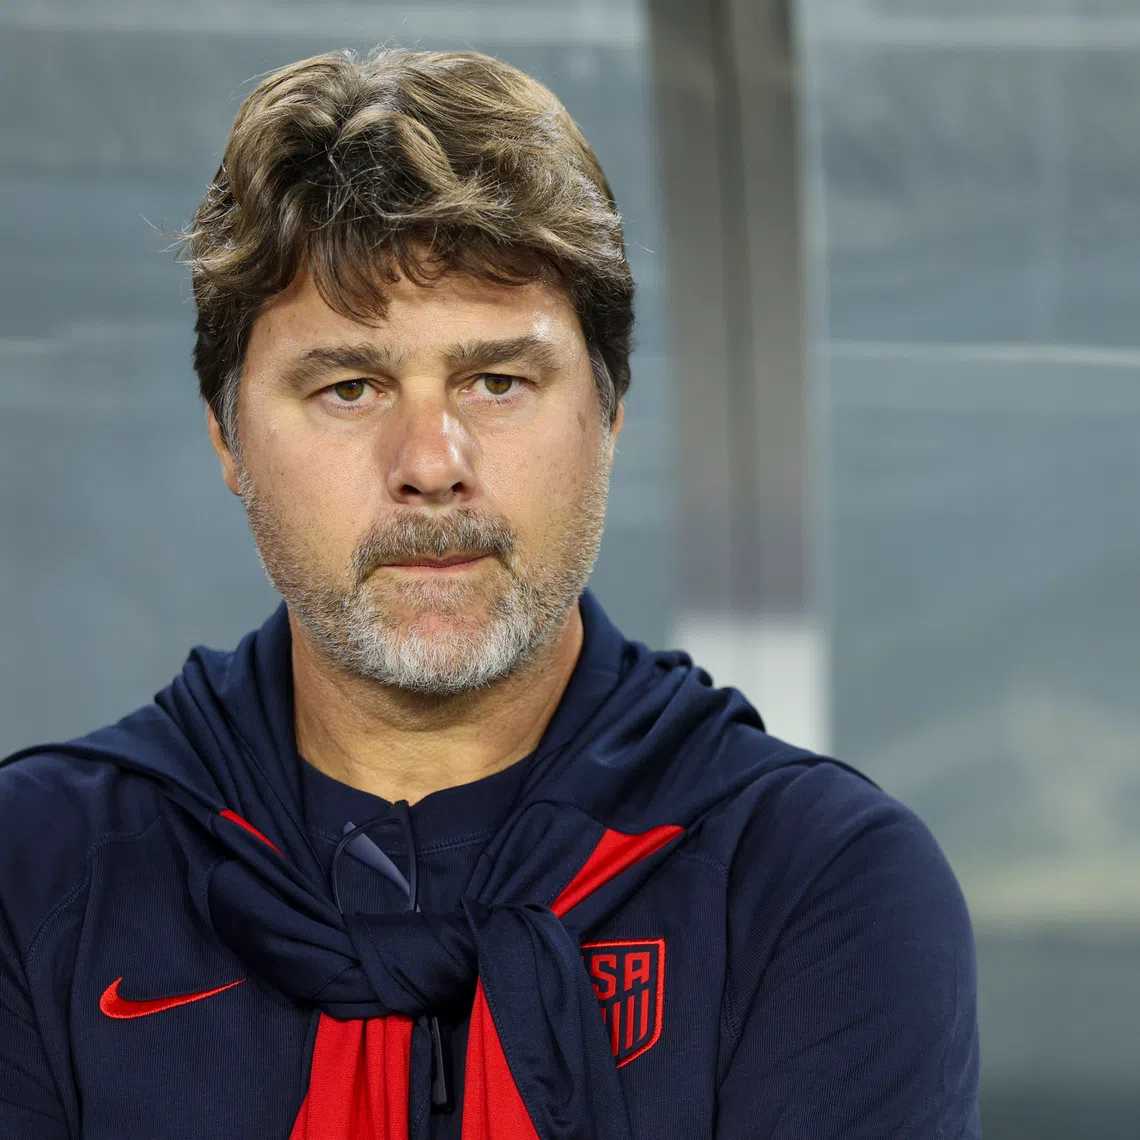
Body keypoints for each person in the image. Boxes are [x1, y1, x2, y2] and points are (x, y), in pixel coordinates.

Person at [0, 48, 980, 1140]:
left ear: (609, 416)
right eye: (350, 387)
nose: (431, 462)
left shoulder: (816, 882)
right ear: (228, 439)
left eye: (497, 382)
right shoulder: (31, 872)